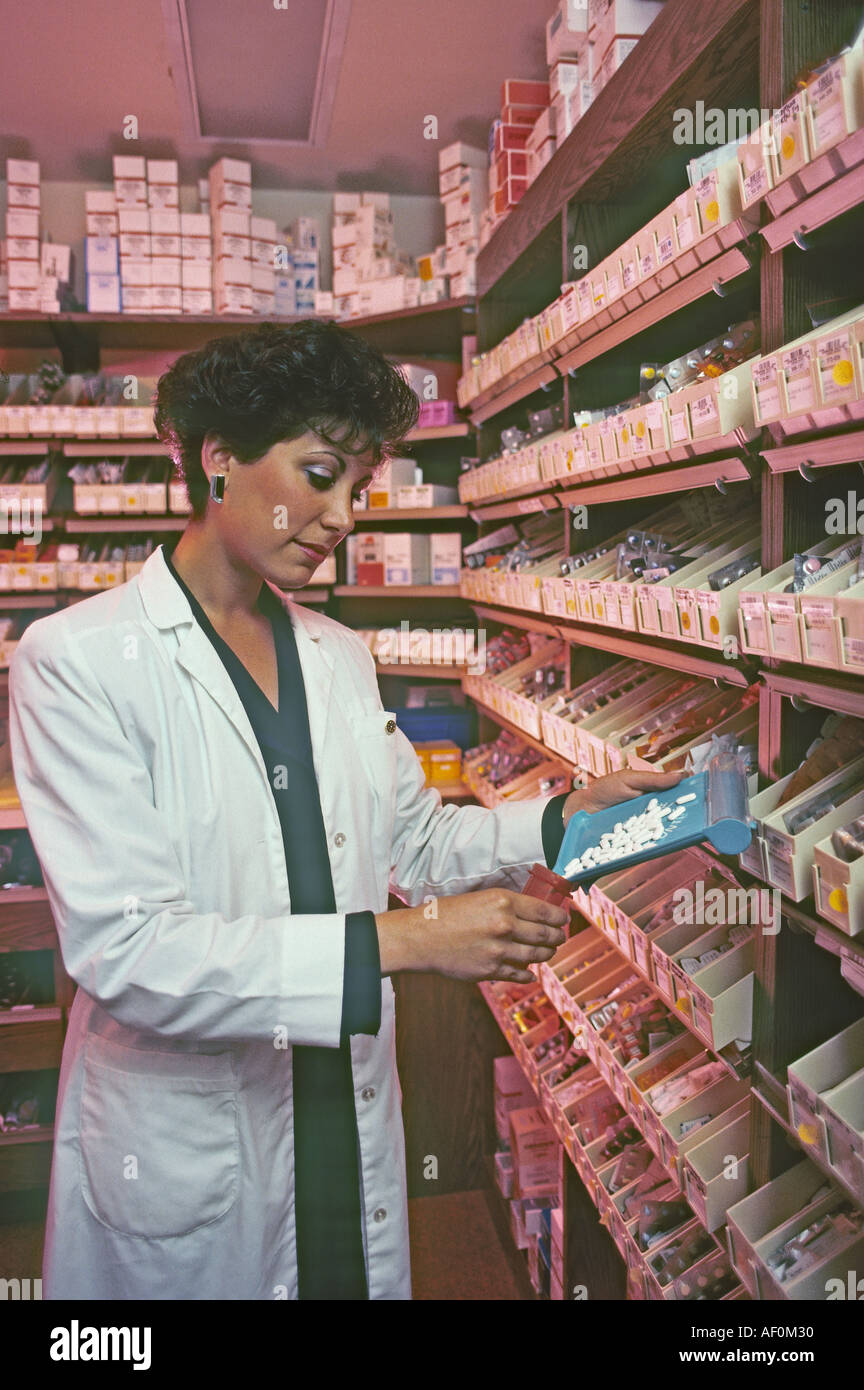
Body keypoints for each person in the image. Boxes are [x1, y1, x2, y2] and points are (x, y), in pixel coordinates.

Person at [9, 320, 682, 1301]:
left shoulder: (334, 653)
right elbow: (129, 951)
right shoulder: (77, 662)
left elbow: (413, 837)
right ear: (219, 459)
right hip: (194, 1136)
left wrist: (566, 813)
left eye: (357, 489)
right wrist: (402, 943)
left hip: (340, 1102)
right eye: (318, 472)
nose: (340, 515)